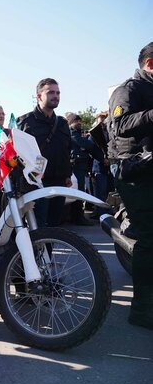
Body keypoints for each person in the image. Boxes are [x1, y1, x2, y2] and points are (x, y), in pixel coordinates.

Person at [107, 41, 153, 330]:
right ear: (150, 63)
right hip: (134, 173)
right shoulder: (129, 89)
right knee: (150, 239)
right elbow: (119, 125)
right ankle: (142, 310)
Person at [17, 78, 72, 227]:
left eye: (58, 92)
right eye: (51, 92)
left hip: (59, 182)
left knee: (55, 226)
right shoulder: (25, 122)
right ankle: (35, 251)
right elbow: (17, 155)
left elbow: (67, 150)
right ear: (39, 96)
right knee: (38, 227)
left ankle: (48, 251)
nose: (56, 96)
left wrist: (67, 174)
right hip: (37, 183)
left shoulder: (62, 123)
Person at [69, 115, 103, 225]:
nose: (79, 123)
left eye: (79, 121)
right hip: (76, 167)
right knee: (78, 193)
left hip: (81, 167)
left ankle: (77, 216)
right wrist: (86, 144)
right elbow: (84, 144)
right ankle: (78, 217)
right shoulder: (72, 133)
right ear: (71, 123)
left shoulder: (78, 133)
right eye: (76, 121)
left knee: (80, 192)